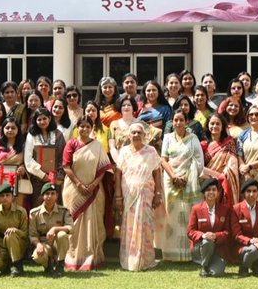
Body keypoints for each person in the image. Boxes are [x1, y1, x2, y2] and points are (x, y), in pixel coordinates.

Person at [62, 117, 111, 271]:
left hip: (94, 190)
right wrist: (79, 184)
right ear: (77, 127)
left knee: (93, 222)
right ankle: (72, 257)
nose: (84, 129)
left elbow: (103, 168)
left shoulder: (97, 145)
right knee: (74, 223)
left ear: (91, 128)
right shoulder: (71, 144)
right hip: (73, 189)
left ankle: (92, 257)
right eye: (82, 126)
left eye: (87, 126)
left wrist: (93, 184)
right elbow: (66, 166)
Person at [116, 122, 164, 272]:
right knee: (129, 225)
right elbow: (118, 174)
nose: (136, 135)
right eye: (134, 132)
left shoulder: (151, 151)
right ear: (129, 135)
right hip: (128, 194)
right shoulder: (124, 151)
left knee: (146, 225)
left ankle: (145, 259)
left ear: (144, 135)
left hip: (146, 194)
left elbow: (157, 172)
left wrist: (158, 193)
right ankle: (130, 259)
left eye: (139, 132)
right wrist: (118, 195)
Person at [159, 112, 205, 263]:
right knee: (171, 216)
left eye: (181, 120)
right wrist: (174, 176)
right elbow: (163, 159)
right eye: (176, 120)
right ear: (172, 122)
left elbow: (199, 160)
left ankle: (189, 253)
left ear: (186, 122)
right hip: (170, 180)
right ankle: (171, 253)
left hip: (189, 181)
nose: (178, 123)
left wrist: (186, 176)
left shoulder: (193, 138)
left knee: (188, 215)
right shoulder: (167, 138)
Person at [186, 178, 235, 277]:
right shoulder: (196, 209)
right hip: (201, 247)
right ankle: (204, 266)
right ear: (204, 193)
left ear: (218, 192)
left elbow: (227, 232)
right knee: (207, 241)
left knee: (217, 273)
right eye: (208, 190)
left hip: (219, 249)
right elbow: (190, 231)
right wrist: (203, 235)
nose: (211, 192)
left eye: (214, 190)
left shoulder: (225, 210)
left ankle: (210, 264)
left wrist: (215, 236)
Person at [29, 180, 72, 276]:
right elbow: (32, 235)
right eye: (47, 193)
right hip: (44, 243)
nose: (50, 196)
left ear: (57, 195)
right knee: (37, 256)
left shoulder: (64, 211)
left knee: (62, 235)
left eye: (53, 193)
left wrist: (55, 229)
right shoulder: (34, 213)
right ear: (42, 196)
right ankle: (48, 264)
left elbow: (71, 228)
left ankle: (60, 265)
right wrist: (38, 244)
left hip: (58, 243)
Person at [0, 183, 29, 276]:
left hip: (18, 244)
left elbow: (25, 233)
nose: (5, 198)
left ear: (12, 197)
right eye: (2, 196)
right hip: (1, 243)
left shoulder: (21, 211)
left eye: (7, 195)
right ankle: (6, 265)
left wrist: (15, 230)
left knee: (10, 235)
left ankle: (16, 264)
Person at [201, 113, 241, 206]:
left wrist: (221, 177)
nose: (215, 126)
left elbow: (232, 166)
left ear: (222, 126)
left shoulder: (229, 143)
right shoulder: (203, 145)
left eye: (218, 124)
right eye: (212, 123)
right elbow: (199, 167)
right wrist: (216, 176)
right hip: (207, 183)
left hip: (224, 184)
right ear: (208, 125)